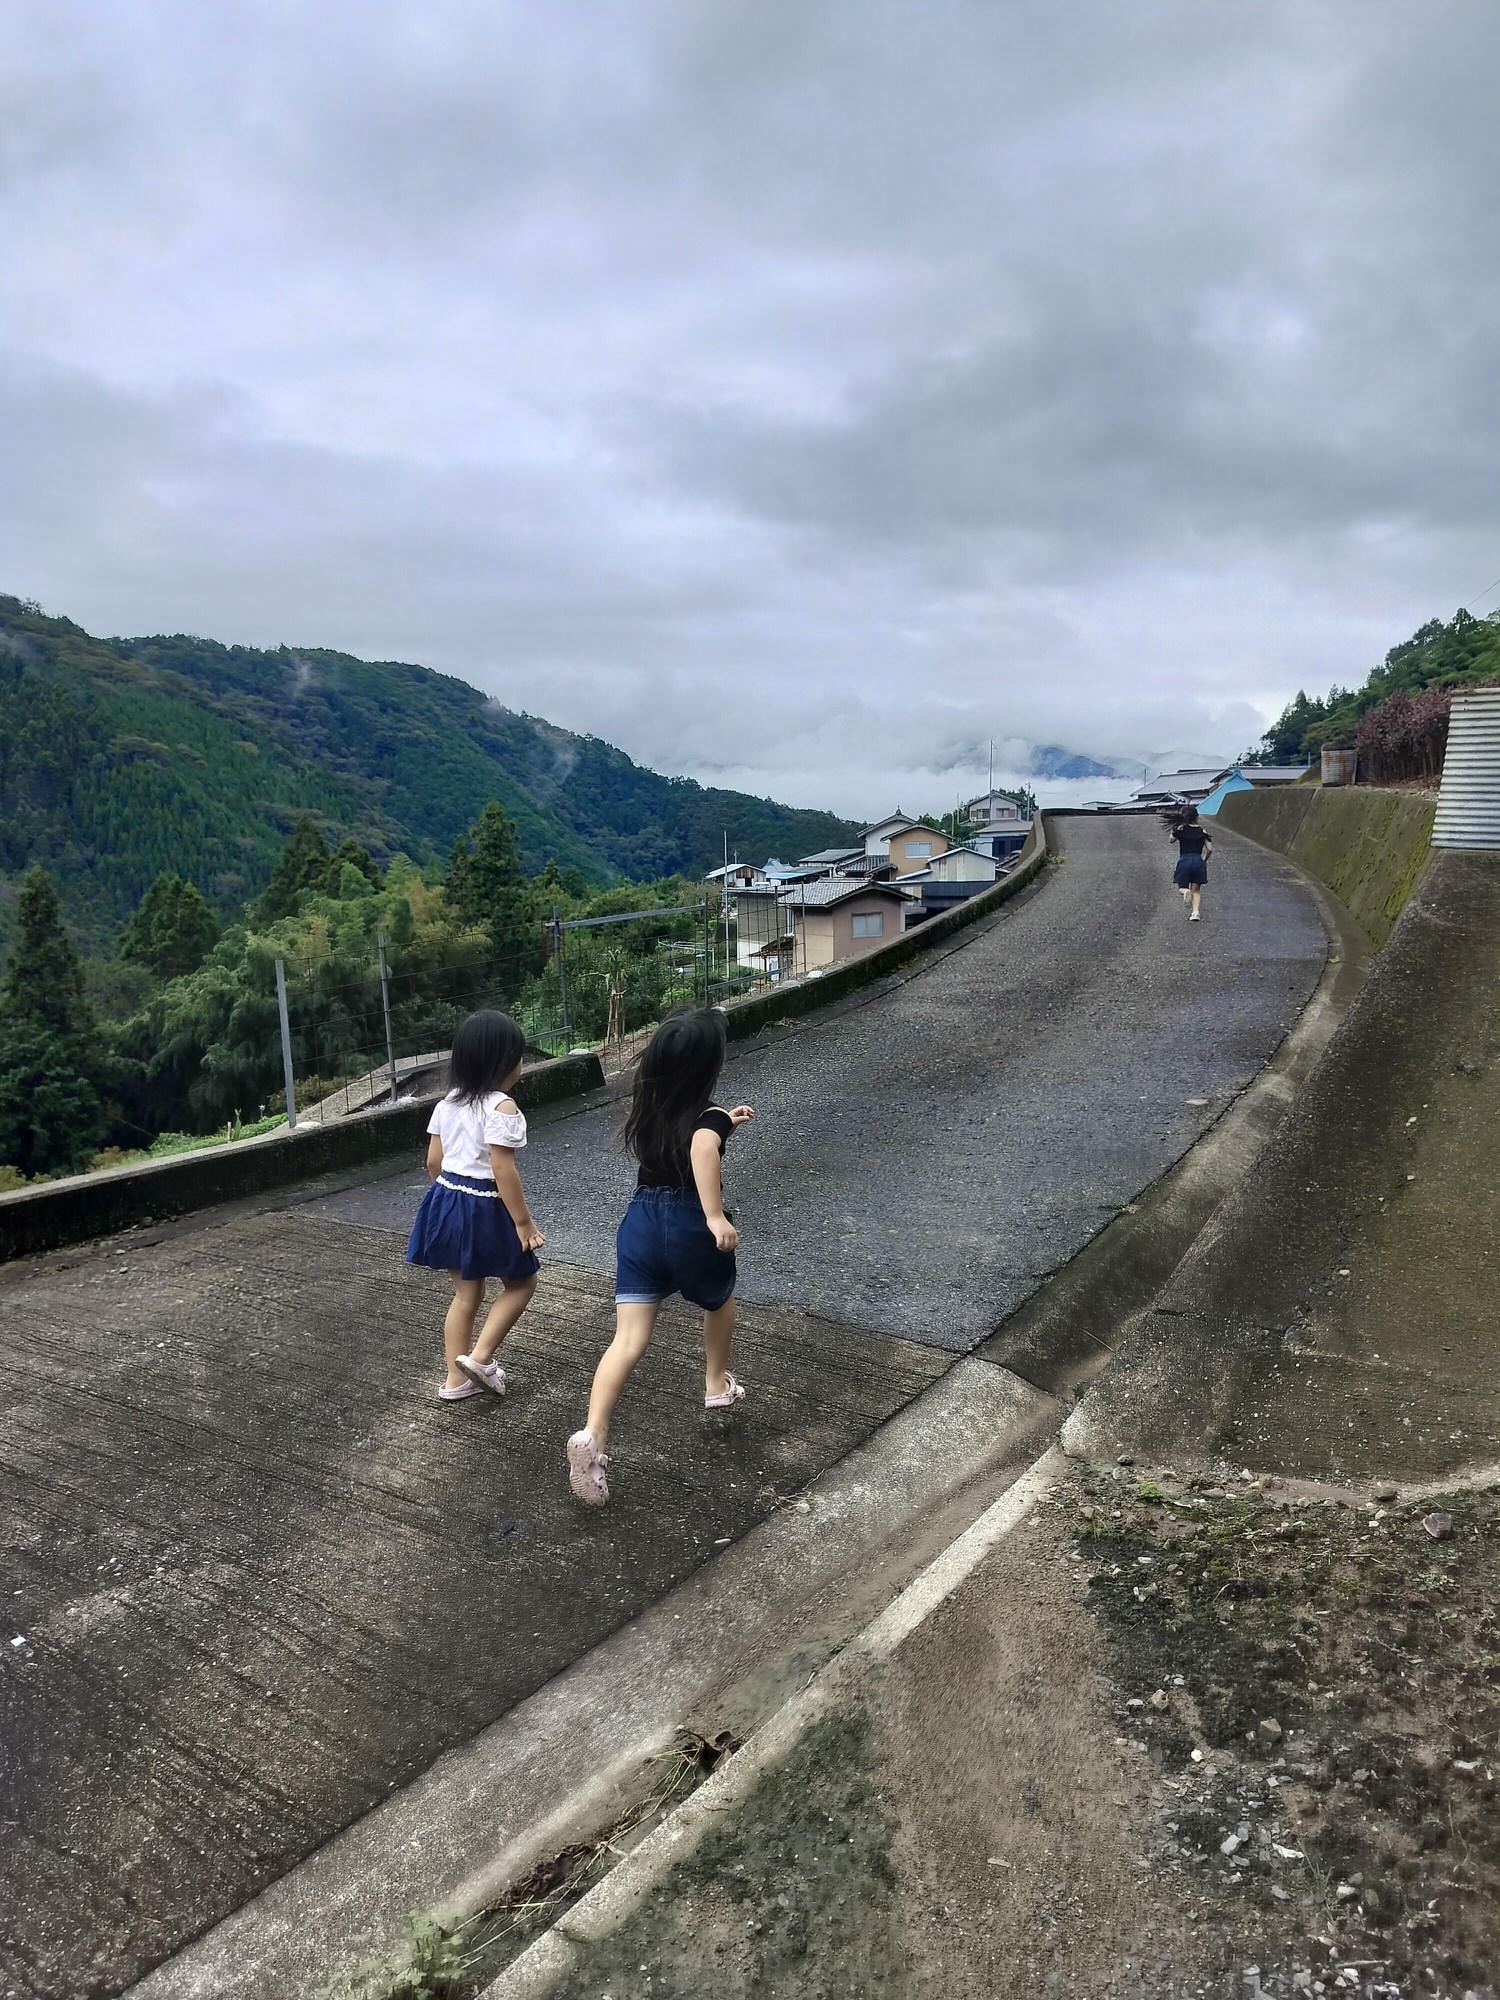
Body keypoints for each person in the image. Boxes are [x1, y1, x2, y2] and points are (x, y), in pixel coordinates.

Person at [566, 1009, 754, 1505]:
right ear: (708, 1068)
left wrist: (726, 1123)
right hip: (690, 1224)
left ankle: (592, 1434)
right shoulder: (707, 1120)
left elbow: (693, 1137)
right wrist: (714, 1216)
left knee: (627, 1339)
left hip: (641, 1225)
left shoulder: (649, 1108)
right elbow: (701, 1148)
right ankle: (716, 1383)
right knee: (718, 1300)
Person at [406, 1009, 544, 1401]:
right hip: (483, 1204)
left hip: (446, 1198)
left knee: (466, 1295)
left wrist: (448, 1199)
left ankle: (455, 1381)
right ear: (505, 1062)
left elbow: (433, 1162)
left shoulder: (447, 1102)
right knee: (521, 1282)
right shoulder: (502, 1106)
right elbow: (502, 1169)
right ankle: (481, 1358)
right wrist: (523, 1223)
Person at [1170, 806, 1212, 921]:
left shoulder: (1181, 829)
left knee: (1181, 887)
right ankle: (1195, 913)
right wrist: (1204, 860)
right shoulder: (1202, 831)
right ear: (1196, 817)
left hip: (1184, 860)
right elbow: (1209, 849)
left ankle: (1185, 892)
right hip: (1198, 861)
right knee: (1196, 890)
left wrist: (1175, 828)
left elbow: (1171, 840)